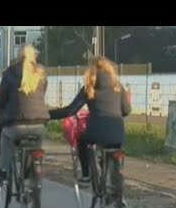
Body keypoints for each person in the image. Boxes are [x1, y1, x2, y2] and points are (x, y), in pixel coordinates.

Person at [49, 56, 132, 191]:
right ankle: (117, 193)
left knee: (82, 141)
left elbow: (71, 110)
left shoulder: (89, 87)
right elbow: (127, 110)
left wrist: (49, 115)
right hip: (118, 132)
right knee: (114, 156)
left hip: (96, 132)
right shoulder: (118, 87)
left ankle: (86, 174)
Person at [0, 44, 50, 182]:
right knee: (36, 145)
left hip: (16, 124)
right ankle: (33, 169)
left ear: (19, 55)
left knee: (5, 137)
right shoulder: (41, 73)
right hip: (39, 123)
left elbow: (1, 98)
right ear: (34, 56)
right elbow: (42, 93)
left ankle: (3, 170)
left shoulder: (10, 72)